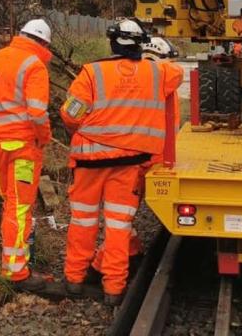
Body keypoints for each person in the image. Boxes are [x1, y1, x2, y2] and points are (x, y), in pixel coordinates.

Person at [61, 20, 183, 307]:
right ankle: (114, 289)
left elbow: (70, 114)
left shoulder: (92, 73)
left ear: (112, 43)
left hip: (89, 162)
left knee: (83, 221)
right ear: (141, 45)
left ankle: (74, 280)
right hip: (129, 164)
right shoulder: (159, 73)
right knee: (119, 225)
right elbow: (175, 72)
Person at [0, 19, 53, 291]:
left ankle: (11, 264)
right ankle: (16, 271)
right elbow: (38, 113)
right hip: (23, 149)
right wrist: (44, 137)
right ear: (43, 44)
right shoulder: (34, 66)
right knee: (19, 207)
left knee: (10, 205)